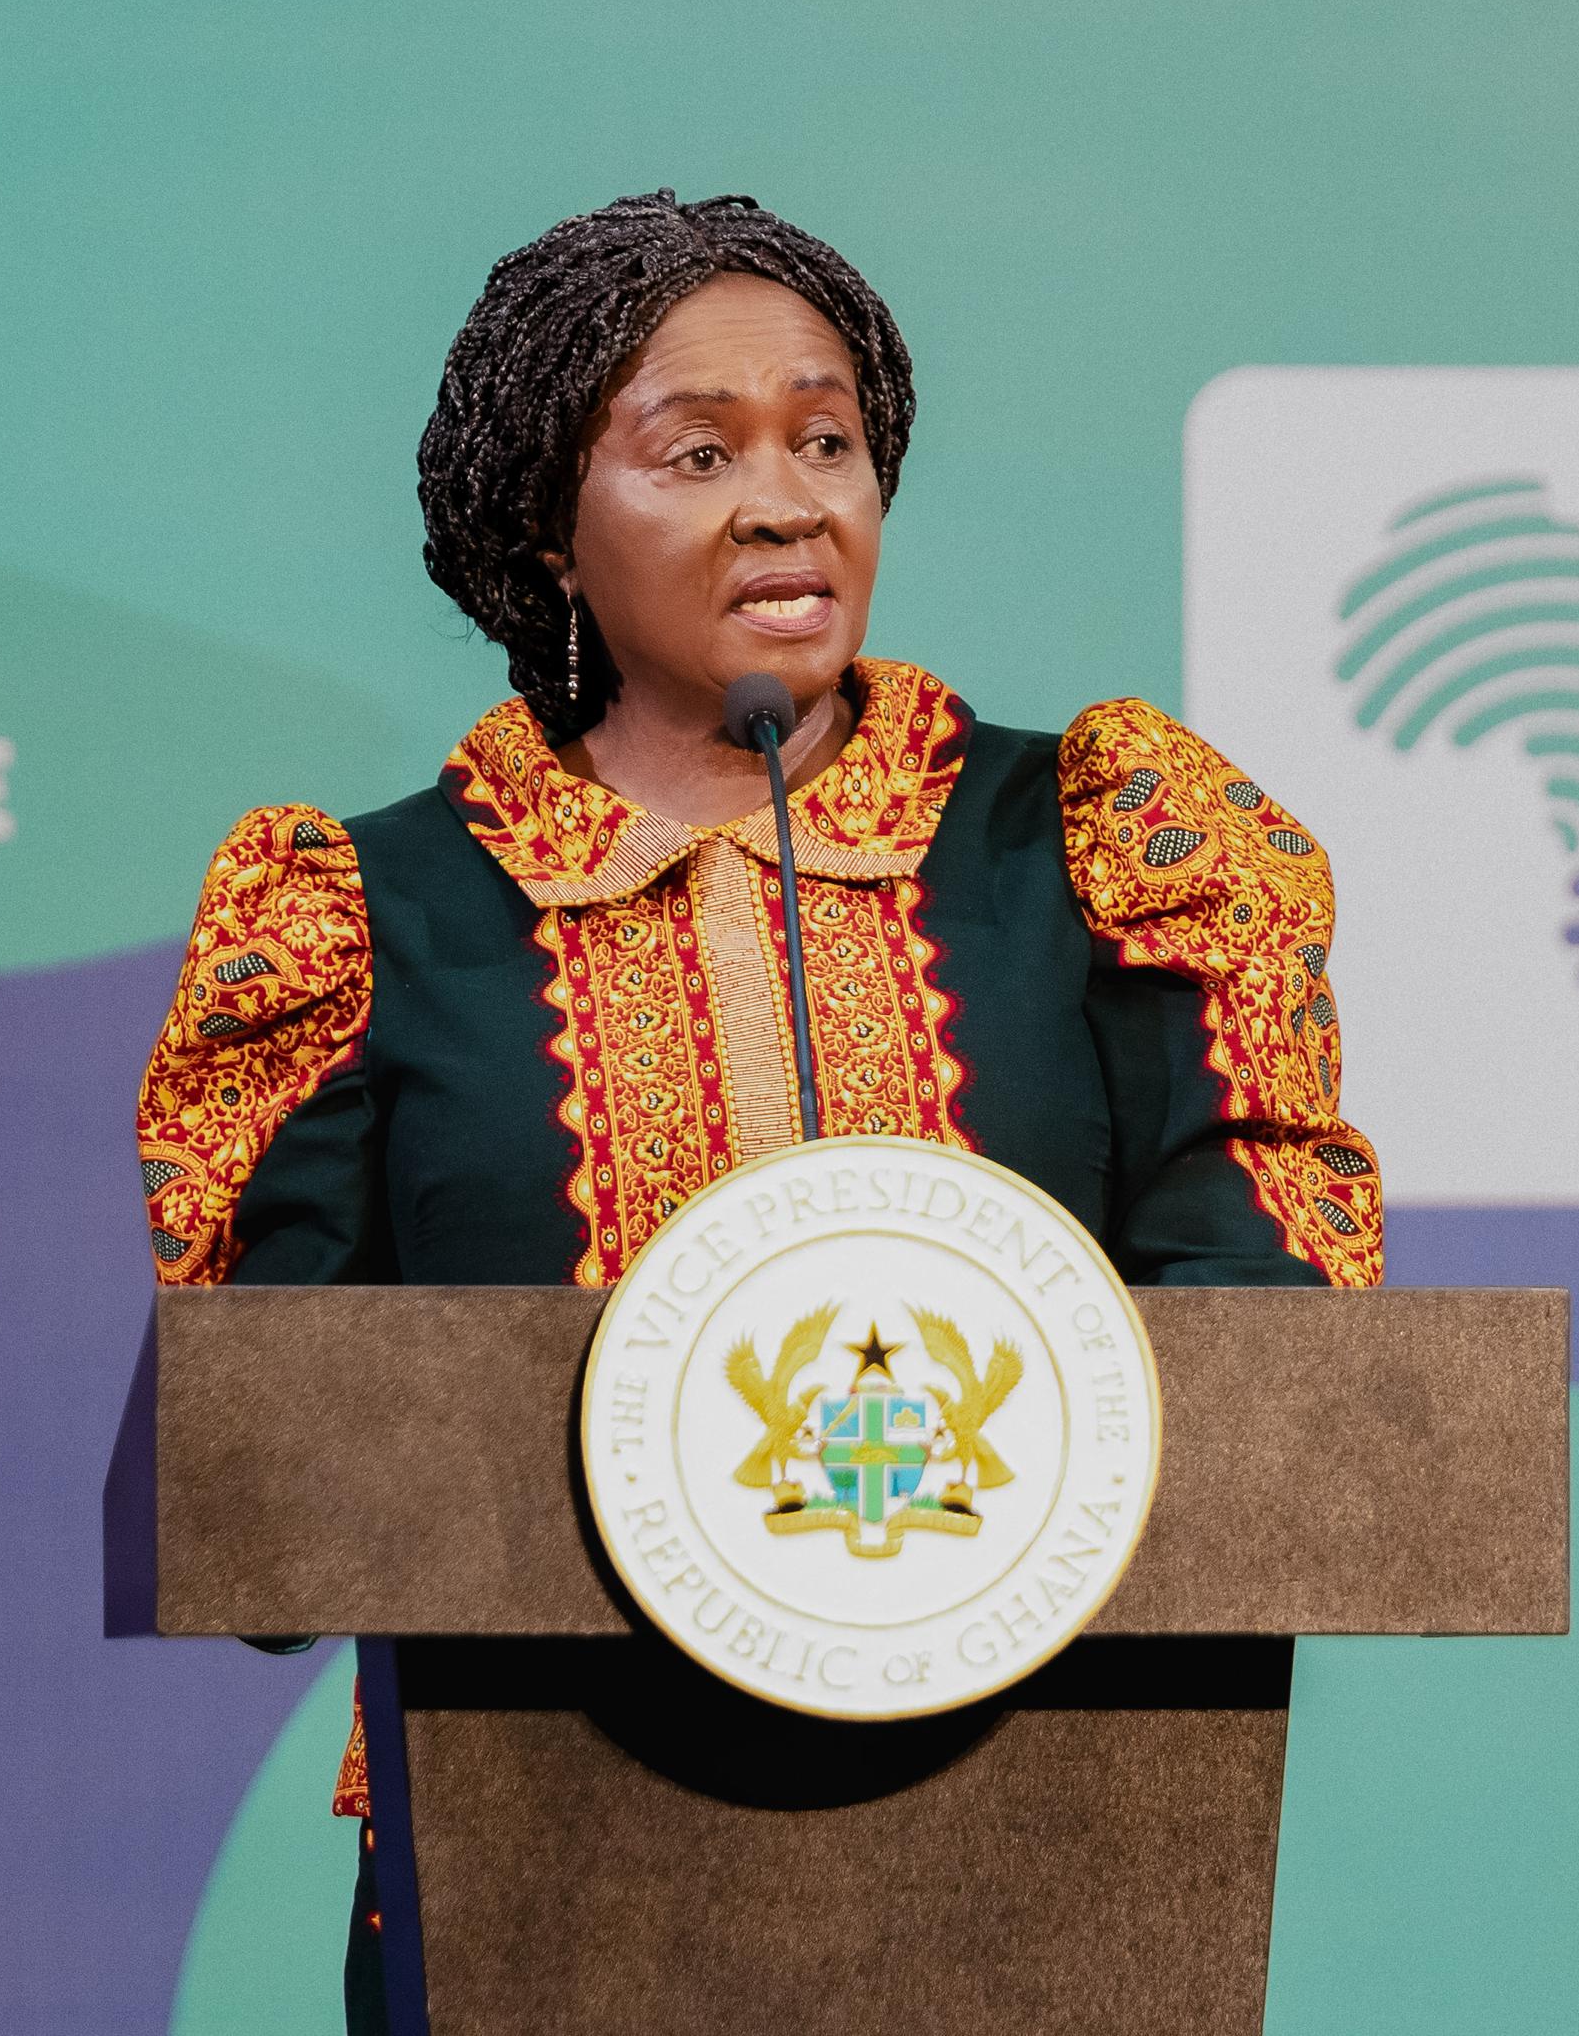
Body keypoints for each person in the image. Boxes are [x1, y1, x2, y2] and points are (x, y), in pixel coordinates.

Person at [134, 188, 1383, 2031]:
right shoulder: (365, 917)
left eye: (827, 441)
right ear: (550, 533)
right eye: (697, 453)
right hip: (535, 1884)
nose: (787, 502)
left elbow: (1276, 1357)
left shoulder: (1105, 849)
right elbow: (272, 1482)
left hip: (1049, 1858)